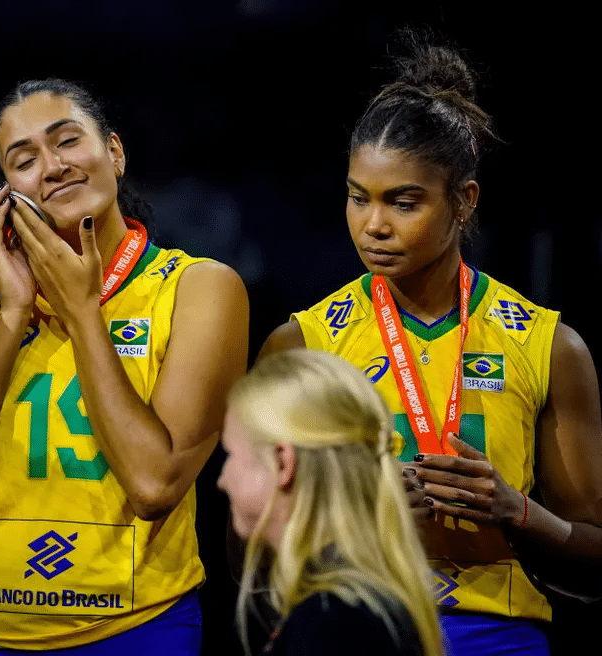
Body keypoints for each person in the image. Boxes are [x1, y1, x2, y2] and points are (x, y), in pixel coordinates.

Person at [260, 33, 602, 655]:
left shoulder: (552, 347)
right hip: (352, 631)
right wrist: (357, 516)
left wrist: (518, 512)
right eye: (357, 197)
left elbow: (594, 562)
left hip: (496, 637)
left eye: (403, 202)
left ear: (464, 201)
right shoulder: (300, 345)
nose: (374, 225)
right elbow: (247, 562)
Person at [0, 78, 249, 653]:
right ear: (6, 191)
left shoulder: (200, 287)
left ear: (114, 152)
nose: (52, 166)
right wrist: (14, 312)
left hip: (134, 629)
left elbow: (153, 484)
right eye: (24, 160)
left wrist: (83, 313)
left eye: (67, 141)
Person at [218, 349, 443, 655]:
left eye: (231, 454)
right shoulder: (347, 606)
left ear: (283, 463)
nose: (221, 480)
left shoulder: (335, 624)